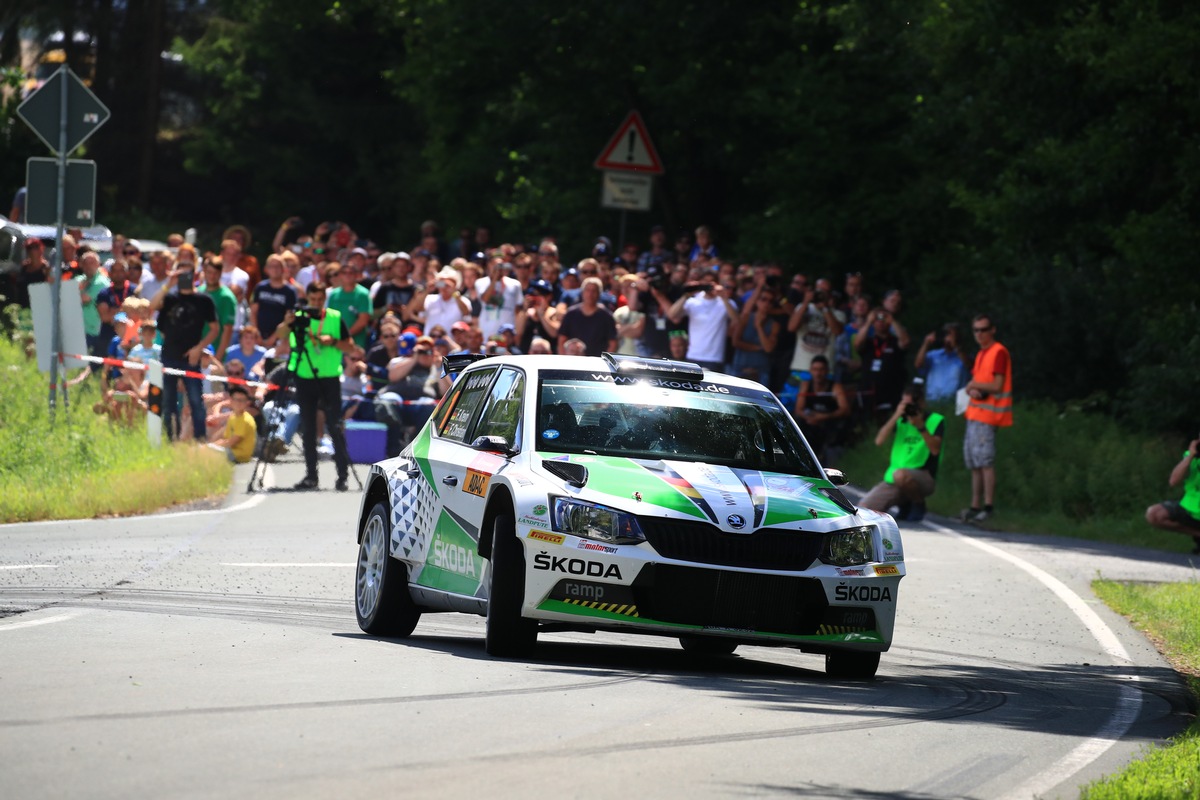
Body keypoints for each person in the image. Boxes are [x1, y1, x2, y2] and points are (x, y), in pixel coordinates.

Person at [275, 282, 354, 491]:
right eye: (313, 300)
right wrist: (287, 322)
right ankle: (311, 476)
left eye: (320, 300)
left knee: (336, 426)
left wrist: (333, 341)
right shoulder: (299, 316)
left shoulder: (335, 318)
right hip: (304, 376)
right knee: (308, 428)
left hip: (329, 378)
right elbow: (281, 335)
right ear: (307, 298)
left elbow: (350, 346)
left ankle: (342, 476)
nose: (316, 304)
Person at [149, 254, 218, 441]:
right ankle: (171, 439)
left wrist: (199, 348)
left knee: (196, 401)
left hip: (191, 359)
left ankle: (200, 440)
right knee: (168, 402)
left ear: (195, 276)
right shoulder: (170, 298)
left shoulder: (204, 300)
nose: (184, 278)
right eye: (181, 274)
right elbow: (152, 307)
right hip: (169, 356)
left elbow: (215, 329)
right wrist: (168, 284)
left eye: (188, 274)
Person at [859, 382, 945, 521]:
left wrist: (920, 426)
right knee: (864, 509)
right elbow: (879, 441)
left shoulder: (935, 420)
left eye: (911, 404)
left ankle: (918, 503)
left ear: (921, 403)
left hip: (923, 476)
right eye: (905, 404)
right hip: (895, 478)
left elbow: (935, 450)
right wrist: (896, 415)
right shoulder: (900, 421)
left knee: (901, 475)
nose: (908, 408)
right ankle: (905, 502)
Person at [961, 313, 1013, 523]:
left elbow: (996, 385)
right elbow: (979, 382)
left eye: (984, 329)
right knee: (975, 463)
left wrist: (974, 386)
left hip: (988, 416)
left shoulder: (998, 351)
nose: (980, 334)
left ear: (993, 330)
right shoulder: (983, 353)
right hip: (975, 413)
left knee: (985, 462)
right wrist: (972, 389)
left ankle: (988, 506)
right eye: (976, 330)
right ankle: (975, 505)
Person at [373, 336, 441, 457]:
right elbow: (393, 377)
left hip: (420, 405)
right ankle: (393, 447)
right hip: (397, 400)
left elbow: (446, 391)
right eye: (421, 351)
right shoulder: (401, 361)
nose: (425, 354)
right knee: (387, 401)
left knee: (429, 405)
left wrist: (439, 367)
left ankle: (415, 449)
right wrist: (414, 358)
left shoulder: (436, 368)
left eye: (429, 351)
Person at [666, 273, 738, 373]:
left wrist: (723, 296)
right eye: (705, 282)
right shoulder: (693, 301)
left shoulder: (725, 302)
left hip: (714, 358)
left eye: (711, 282)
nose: (708, 285)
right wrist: (687, 295)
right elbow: (672, 315)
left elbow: (735, 320)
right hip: (693, 355)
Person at [1145, 436, 1200, 552]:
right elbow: (1173, 481)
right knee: (1154, 514)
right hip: (1191, 508)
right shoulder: (1192, 457)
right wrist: (1190, 456)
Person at [794, 355, 851, 463]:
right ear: (810, 371)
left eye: (821, 370)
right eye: (815, 370)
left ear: (827, 371)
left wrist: (824, 417)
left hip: (829, 425)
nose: (818, 373)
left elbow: (845, 409)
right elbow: (798, 409)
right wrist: (809, 418)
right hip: (810, 424)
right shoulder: (806, 385)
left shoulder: (835, 386)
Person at [557, 277, 617, 357]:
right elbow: (562, 340)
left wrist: (604, 362)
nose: (590, 294)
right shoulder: (571, 314)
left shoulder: (606, 316)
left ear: (599, 294)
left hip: (596, 362)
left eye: (594, 291)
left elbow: (613, 343)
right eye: (587, 290)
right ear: (582, 292)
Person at [251, 254, 298, 347]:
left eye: (278, 266)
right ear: (266, 269)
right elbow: (253, 312)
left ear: (283, 269)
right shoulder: (260, 287)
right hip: (258, 337)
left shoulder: (290, 291)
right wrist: (256, 333)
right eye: (271, 266)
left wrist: (274, 338)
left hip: (279, 339)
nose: (275, 269)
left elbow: (289, 318)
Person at [915, 322, 968, 403]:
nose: (949, 338)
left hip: (954, 404)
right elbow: (918, 364)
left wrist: (956, 346)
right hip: (933, 402)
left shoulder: (963, 356)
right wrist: (926, 343)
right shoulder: (933, 355)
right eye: (947, 334)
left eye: (952, 335)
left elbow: (969, 366)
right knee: (933, 416)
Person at [213, 384, 257, 463]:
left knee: (209, 453)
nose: (239, 403)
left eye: (242, 400)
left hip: (239, 455)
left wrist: (212, 446)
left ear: (246, 403)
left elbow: (232, 441)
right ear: (231, 401)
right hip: (232, 451)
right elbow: (225, 437)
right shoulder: (233, 417)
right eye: (236, 400)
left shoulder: (245, 419)